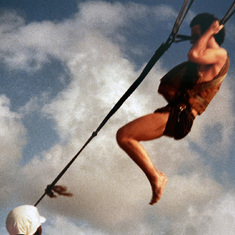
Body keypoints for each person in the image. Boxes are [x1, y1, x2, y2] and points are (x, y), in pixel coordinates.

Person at [116, 13, 229, 205]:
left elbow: (194, 55)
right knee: (125, 136)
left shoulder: (220, 54)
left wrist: (209, 30)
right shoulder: (204, 61)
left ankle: (156, 177)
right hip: (176, 114)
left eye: (196, 35)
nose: (192, 40)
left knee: (125, 136)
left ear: (210, 33)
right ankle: (155, 176)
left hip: (180, 116)